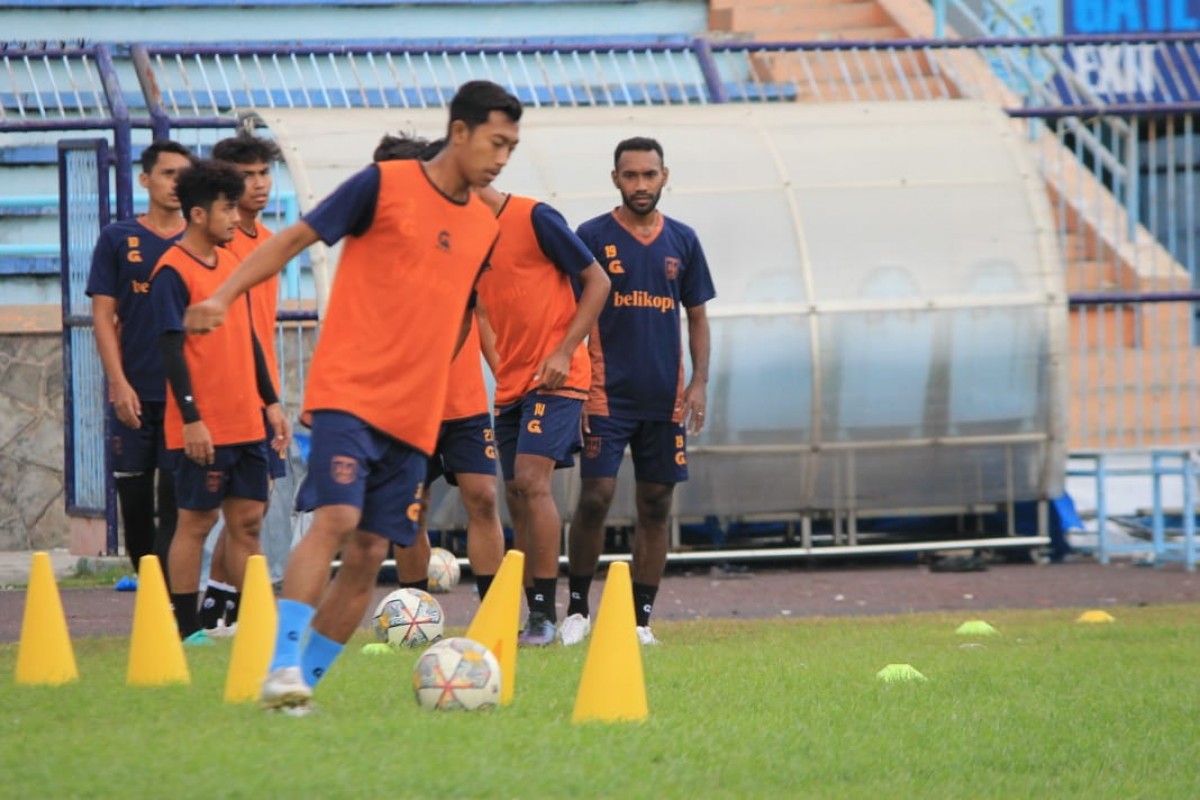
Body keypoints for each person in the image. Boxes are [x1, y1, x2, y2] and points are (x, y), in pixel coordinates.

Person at [182, 81, 522, 714]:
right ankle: (281, 664)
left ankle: (298, 686)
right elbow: (292, 241)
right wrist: (222, 297)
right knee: (336, 521)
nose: (503, 158)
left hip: (416, 416)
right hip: (349, 394)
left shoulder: (483, 225)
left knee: (368, 554)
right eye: (496, 142)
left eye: (512, 146)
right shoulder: (382, 185)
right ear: (461, 133)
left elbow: (460, 312)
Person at [561, 137, 716, 647]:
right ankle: (577, 611)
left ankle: (640, 622)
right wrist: (579, 385)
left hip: (665, 398)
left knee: (656, 504)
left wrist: (698, 382)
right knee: (596, 497)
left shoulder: (684, 241)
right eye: (631, 176)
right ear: (616, 180)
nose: (641, 185)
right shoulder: (591, 236)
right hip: (606, 394)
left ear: (665, 176)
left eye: (650, 175)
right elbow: (572, 317)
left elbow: (696, 316)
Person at [148, 159, 290, 640]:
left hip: (247, 419)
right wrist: (191, 419)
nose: (235, 218)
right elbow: (170, 348)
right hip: (203, 423)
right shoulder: (171, 270)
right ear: (198, 214)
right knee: (196, 521)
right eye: (227, 209)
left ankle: (254, 624)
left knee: (248, 521)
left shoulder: (232, 263)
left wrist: (270, 401)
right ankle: (187, 630)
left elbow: (247, 336)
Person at [472, 184, 610, 645]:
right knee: (514, 492)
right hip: (512, 382)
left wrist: (564, 349)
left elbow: (599, 282)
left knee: (532, 481)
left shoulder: (535, 217)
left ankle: (544, 616)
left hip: (558, 375)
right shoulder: (463, 235)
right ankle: (531, 610)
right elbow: (476, 314)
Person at [371, 133, 504, 602]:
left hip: (462, 400)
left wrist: (504, 376)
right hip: (407, 407)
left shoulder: (459, 237)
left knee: (484, 498)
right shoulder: (374, 246)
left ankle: (493, 610)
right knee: (412, 509)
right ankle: (415, 612)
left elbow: (480, 312)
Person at [87, 140, 195, 576]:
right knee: (134, 503)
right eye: (168, 174)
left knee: (174, 502)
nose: (177, 184)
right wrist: (119, 383)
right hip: (135, 391)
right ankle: (150, 585)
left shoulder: (200, 239)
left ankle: (172, 604)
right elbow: (103, 316)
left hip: (181, 397)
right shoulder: (118, 238)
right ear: (146, 179)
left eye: (184, 176)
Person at [195, 132, 287, 635]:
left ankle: (218, 610)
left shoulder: (270, 243)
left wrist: (271, 397)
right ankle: (213, 611)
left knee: (251, 509)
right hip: (226, 396)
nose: (258, 186)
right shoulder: (217, 246)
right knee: (216, 514)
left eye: (264, 174)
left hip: (263, 393)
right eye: (246, 176)